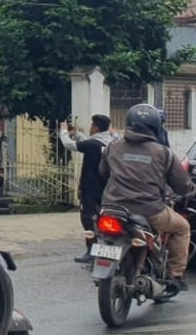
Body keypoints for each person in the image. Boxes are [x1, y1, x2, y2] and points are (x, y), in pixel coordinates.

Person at [100, 103, 194, 290]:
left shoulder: (113, 147)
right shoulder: (163, 153)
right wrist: (191, 191)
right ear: (156, 126)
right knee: (182, 228)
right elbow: (182, 185)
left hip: (112, 207)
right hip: (149, 211)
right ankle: (175, 275)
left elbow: (102, 173)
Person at [59, 114, 114, 264]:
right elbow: (88, 143)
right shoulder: (109, 142)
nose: (90, 127)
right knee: (103, 217)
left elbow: (69, 145)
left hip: (90, 188)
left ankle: (91, 250)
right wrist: (76, 133)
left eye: (91, 125)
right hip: (106, 188)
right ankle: (104, 246)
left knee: (88, 219)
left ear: (95, 127)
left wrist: (63, 131)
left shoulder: (93, 144)